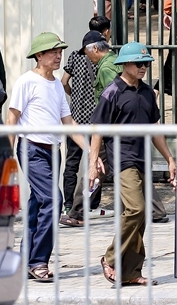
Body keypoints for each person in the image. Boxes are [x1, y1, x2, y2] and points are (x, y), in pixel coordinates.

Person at [89, 42, 177, 287]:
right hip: (122, 158)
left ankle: (131, 271)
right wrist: (92, 163)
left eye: (146, 63)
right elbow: (97, 129)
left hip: (142, 159)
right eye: (139, 63)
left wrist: (170, 158)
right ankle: (110, 258)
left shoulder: (148, 92)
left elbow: (155, 129)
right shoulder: (112, 92)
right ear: (124, 64)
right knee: (136, 209)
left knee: (142, 215)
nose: (143, 67)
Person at [5, 32, 87, 282]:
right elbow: (12, 119)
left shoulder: (56, 86)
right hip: (31, 149)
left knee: (37, 205)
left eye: (60, 51)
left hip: (54, 150)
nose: (58, 55)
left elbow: (68, 122)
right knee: (53, 200)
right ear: (39, 55)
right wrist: (8, 156)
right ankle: (39, 260)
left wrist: (90, 150)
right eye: (53, 51)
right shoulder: (26, 82)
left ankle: (25, 260)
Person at [60, 29, 105, 227]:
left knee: (71, 163)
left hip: (76, 117)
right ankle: (92, 203)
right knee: (95, 163)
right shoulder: (102, 61)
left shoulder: (74, 57)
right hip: (95, 119)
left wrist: (74, 96)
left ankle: (69, 203)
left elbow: (63, 82)